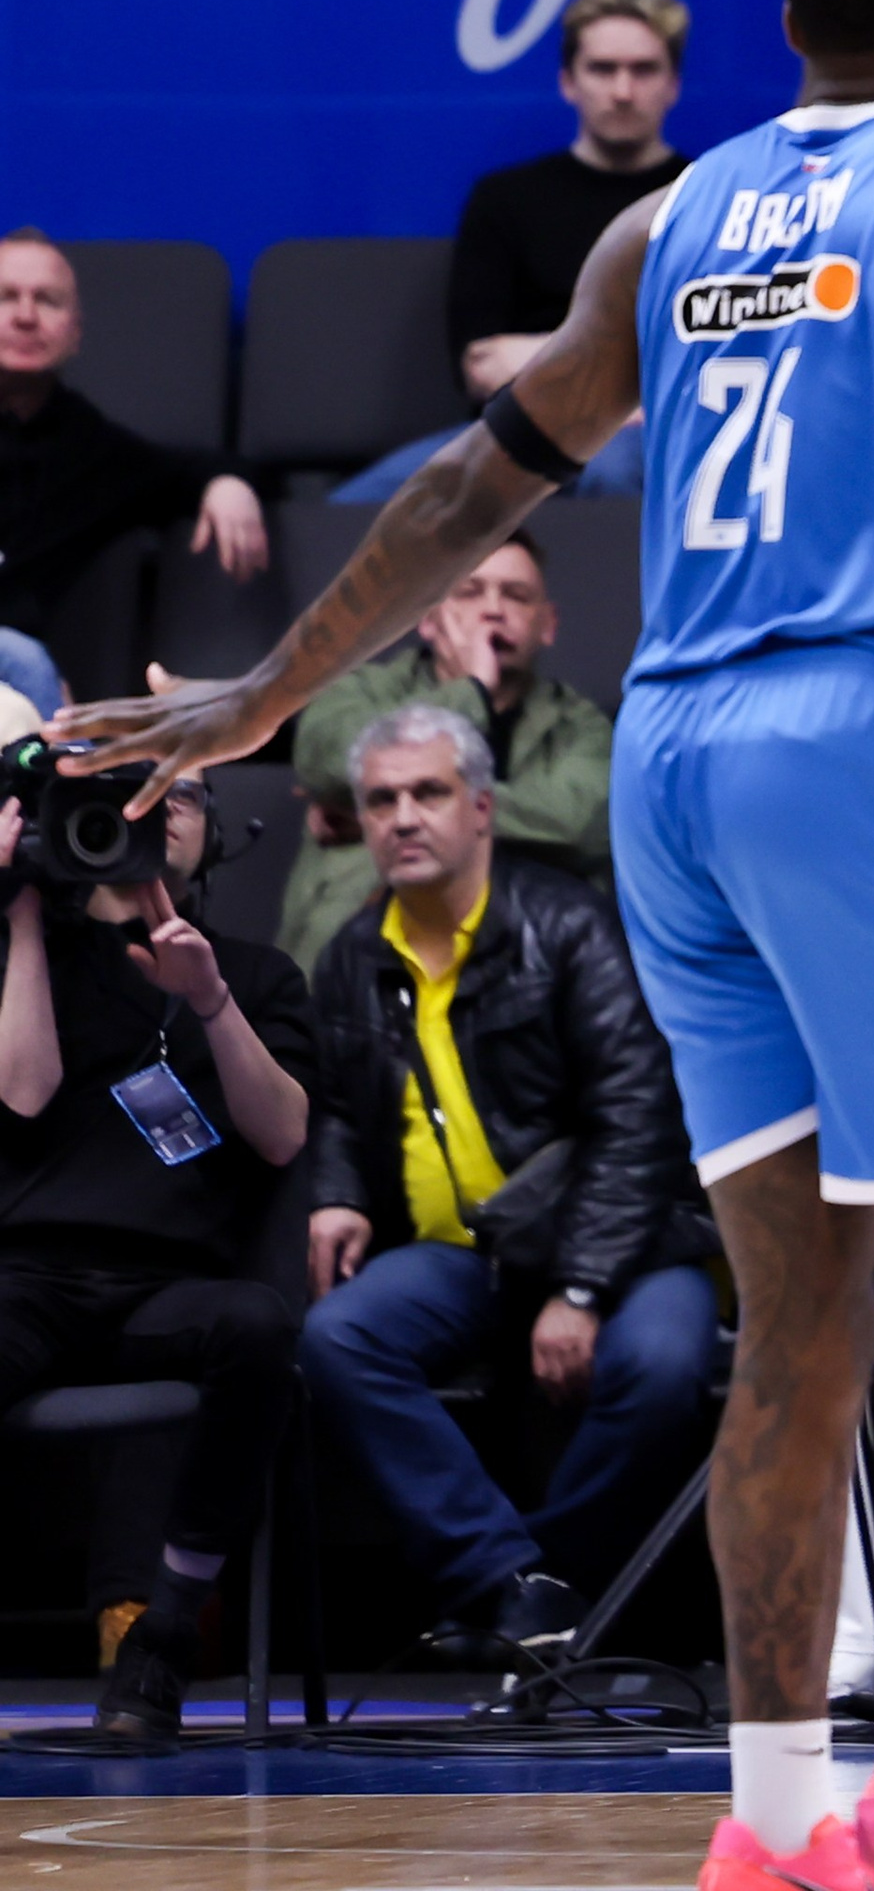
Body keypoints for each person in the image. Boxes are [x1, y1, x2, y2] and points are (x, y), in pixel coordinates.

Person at [60, 0, 874, 1891]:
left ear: (781, 35)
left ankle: (774, 1824)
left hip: (670, 755)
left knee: (796, 1312)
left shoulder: (671, 224)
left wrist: (262, 695)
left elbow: (472, 480)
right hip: (864, 728)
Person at [301, 705, 720, 1656]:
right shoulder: (352, 957)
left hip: (622, 1243)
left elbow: (638, 1116)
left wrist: (582, 1287)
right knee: (340, 1336)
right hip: (467, 1255)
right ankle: (509, 1580)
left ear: (482, 807)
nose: (404, 817)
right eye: (381, 801)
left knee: (662, 1365)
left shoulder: (568, 926)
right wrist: (337, 1191)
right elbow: (338, 1103)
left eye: (428, 793)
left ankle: (546, 1584)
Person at [0, 767, 314, 1743]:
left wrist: (211, 1001)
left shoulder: (258, 975)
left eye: (178, 794)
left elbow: (284, 1137)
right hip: (30, 1281)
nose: (151, 811)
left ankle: (165, 1631)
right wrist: (19, 915)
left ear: (212, 829)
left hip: (169, 1291)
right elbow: (22, 1091)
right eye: (127, 794)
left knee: (258, 1329)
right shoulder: (30, 950)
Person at [332, 0, 690, 507]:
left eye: (643, 70)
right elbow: (482, 366)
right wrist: (628, 371)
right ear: (568, 81)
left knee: (612, 469)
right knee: (354, 508)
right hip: (517, 431)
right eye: (602, 69)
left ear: (673, 84)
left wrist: (539, 353)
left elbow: (711, 359)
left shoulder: (705, 198)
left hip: (651, 433)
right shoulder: (506, 198)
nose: (622, 91)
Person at [279, 534, 617, 973]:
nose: (493, 610)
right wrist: (470, 691)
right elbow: (322, 761)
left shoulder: (580, 724)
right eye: (470, 592)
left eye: (515, 595)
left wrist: (386, 815)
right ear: (428, 617)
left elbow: (582, 827)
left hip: (529, 966)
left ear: (548, 625)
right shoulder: (361, 692)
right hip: (355, 948)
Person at [0, 229, 267, 616]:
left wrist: (227, 483)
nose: (26, 317)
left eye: (47, 301)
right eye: (6, 297)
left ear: (75, 333)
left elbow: (185, 472)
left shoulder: (91, 449)